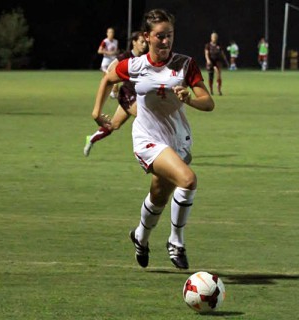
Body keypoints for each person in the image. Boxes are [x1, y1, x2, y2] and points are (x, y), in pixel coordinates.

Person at [92, 8, 215, 269]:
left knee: (159, 195)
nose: (166, 41)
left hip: (177, 140)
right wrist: (96, 112)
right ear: (147, 37)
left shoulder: (185, 64)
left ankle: (140, 237)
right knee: (188, 180)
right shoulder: (135, 65)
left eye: (169, 35)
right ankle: (176, 242)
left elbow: (208, 102)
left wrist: (190, 99)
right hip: (148, 138)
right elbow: (107, 79)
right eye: (160, 36)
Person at [84, 31, 148, 157]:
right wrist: (115, 85)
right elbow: (110, 70)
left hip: (138, 96)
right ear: (134, 42)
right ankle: (147, 150)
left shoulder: (145, 57)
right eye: (142, 42)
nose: (144, 45)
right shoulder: (125, 56)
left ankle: (91, 139)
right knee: (146, 117)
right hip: (127, 94)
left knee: (114, 125)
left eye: (146, 42)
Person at [98, 27, 119, 99]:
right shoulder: (105, 41)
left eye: (112, 32)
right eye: (109, 32)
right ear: (107, 33)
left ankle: (113, 92)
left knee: (115, 78)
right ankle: (107, 92)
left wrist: (116, 53)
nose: (111, 34)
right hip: (106, 62)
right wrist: (109, 53)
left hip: (113, 62)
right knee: (105, 78)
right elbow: (99, 51)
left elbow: (116, 51)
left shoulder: (116, 41)